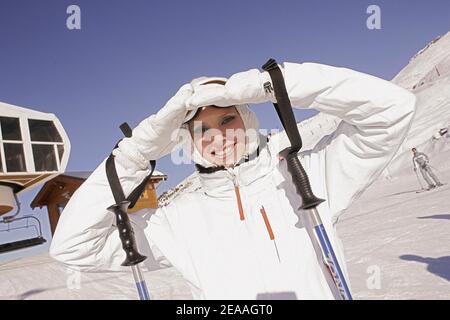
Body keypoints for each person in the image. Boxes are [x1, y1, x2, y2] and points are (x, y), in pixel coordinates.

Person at [49, 61, 416, 299]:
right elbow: (72, 247)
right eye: (201, 129)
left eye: (228, 119)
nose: (218, 136)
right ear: (187, 142)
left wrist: (273, 84)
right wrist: (135, 153)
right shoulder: (178, 220)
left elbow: (392, 110)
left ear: (248, 118)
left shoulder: (305, 176)